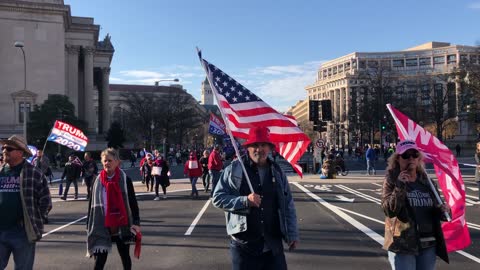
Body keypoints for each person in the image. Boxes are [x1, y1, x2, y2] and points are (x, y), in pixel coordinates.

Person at [212, 127, 299, 269]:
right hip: (244, 246)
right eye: (255, 145)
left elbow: (287, 204)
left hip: (273, 246)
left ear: (270, 148)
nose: (259, 149)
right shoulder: (234, 169)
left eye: (263, 145)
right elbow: (217, 198)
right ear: (248, 148)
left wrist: (292, 233)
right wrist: (244, 201)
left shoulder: (278, 172)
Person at [381, 139, 450, 270]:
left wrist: (444, 210)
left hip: (428, 243)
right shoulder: (392, 179)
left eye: (414, 155)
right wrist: (400, 185)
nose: (411, 158)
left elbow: (437, 209)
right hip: (403, 244)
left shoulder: (426, 180)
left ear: (419, 158)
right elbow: (389, 210)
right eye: (406, 155)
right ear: (397, 159)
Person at [0, 135, 52, 269]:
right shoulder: (0, 171)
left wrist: (34, 221)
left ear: (20, 152)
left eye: (9, 148)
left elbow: (46, 201)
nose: (4, 150)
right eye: (4, 147)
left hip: (22, 233)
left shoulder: (34, 172)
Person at [86, 148, 140, 270]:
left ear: (117, 162)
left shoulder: (125, 180)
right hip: (102, 225)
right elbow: (91, 204)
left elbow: (132, 203)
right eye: (105, 161)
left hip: (122, 224)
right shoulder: (97, 180)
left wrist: (136, 222)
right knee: (99, 260)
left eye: (110, 160)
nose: (107, 163)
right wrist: (88, 223)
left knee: (125, 257)